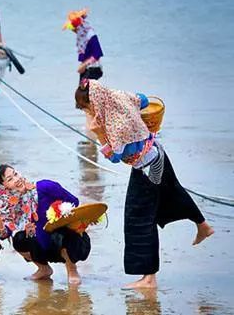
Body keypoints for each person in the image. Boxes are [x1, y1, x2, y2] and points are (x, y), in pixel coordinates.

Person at [74, 79, 214, 289]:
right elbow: (144, 99)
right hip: (157, 152)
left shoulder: (115, 123)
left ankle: (149, 278)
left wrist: (99, 133)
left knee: (138, 217)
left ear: (95, 100)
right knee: (173, 192)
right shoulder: (119, 97)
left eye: (87, 108)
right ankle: (203, 226)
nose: (89, 113)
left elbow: (114, 156)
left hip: (147, 167)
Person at [0, 164, 91, 285]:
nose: (17, 179)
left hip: (69, 241)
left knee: (60, 234)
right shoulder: (10, 206)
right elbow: (3, 234)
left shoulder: (45, 186)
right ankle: (44, 269)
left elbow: (74, 202)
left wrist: (59, 211)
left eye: (15, 174)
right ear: (3, 188)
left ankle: (72, 270)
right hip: (43, 244)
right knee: (18, 240)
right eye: (10, 179)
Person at [63, 8, 104, 142]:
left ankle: (91, 127)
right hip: (86, 70)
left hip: (92, 69)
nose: (73, 32)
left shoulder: (90, 34)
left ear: (78, 27)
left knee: (86, 99)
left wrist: (83, 65)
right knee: (84, 99)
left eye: (73, 29)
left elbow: (97, 53)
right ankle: (90, 126)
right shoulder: (82, 36)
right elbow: (83, 54)